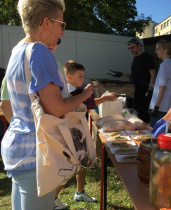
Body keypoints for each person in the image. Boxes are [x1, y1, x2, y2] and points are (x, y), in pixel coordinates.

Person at [0, 1, 94, 210]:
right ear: (46, 23)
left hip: (18, 147)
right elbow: (57, 108)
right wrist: (85, 94)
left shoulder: (17, 50)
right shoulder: (39, 51)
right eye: (61, 24)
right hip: (38, 153)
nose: (63, 31)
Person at [52, 60, 119, 209]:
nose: (82, 79)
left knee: (82, 163)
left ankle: (79, 192)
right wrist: (106, 98)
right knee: (69, 169)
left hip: (76, 134)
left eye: (83, 76)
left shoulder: (74, 90)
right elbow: (88, 104)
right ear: (68, 76)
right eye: (79, 76)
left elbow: (88, 104)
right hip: (70, 135)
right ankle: (52, 199)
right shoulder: (68, 91)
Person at [108, 38, 156, 123]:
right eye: (129, 48)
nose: (131, 50)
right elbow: (135, 74)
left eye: (133, 47)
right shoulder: (135, 59)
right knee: (132, 114)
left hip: (143, 92)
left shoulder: (147, 57)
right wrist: (122, 74)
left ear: (139, 46)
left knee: (142, 115)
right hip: (132, 92)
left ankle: (144, 134)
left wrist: (150, 89)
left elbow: (153, 73)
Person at [149, 40, 171, 127]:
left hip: (161, 107)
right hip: (165, 106)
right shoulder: (169, 64)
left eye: (158, 49)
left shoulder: (164, 65)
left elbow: (162, 87)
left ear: (165, 50)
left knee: (154, 134)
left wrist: (156, 107)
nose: (156, 52)